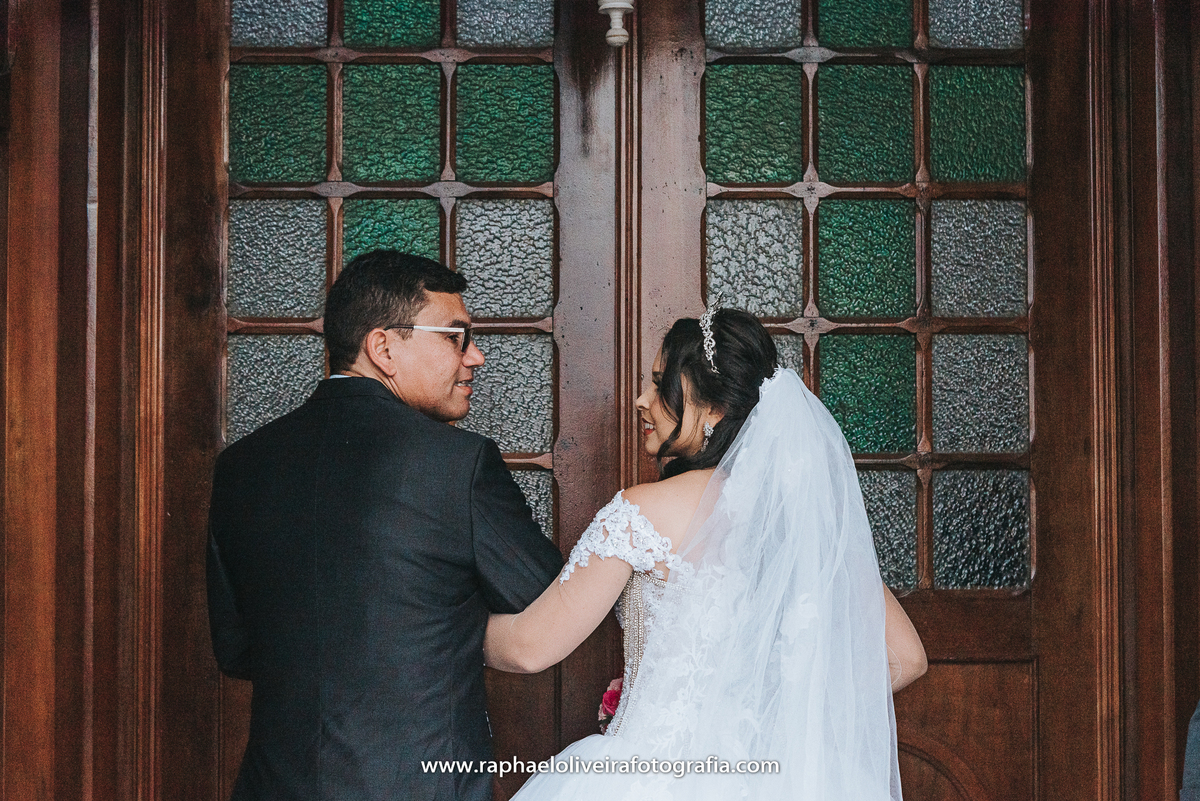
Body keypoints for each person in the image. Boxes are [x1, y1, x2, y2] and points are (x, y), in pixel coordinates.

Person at [485, 307, 927, 799]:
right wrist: (782, 727)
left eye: (660, 386)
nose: (641, 400)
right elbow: (904, 659)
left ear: (714, 410)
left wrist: (440, 623)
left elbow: (529, 648)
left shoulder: (641, 513)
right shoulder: (798, 519)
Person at [207, 250, 563, 801]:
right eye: (456, 337)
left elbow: (234, 648)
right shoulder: (457, 465)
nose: (477, 357)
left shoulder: (241, 467)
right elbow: (546, 604)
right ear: (383, 347)